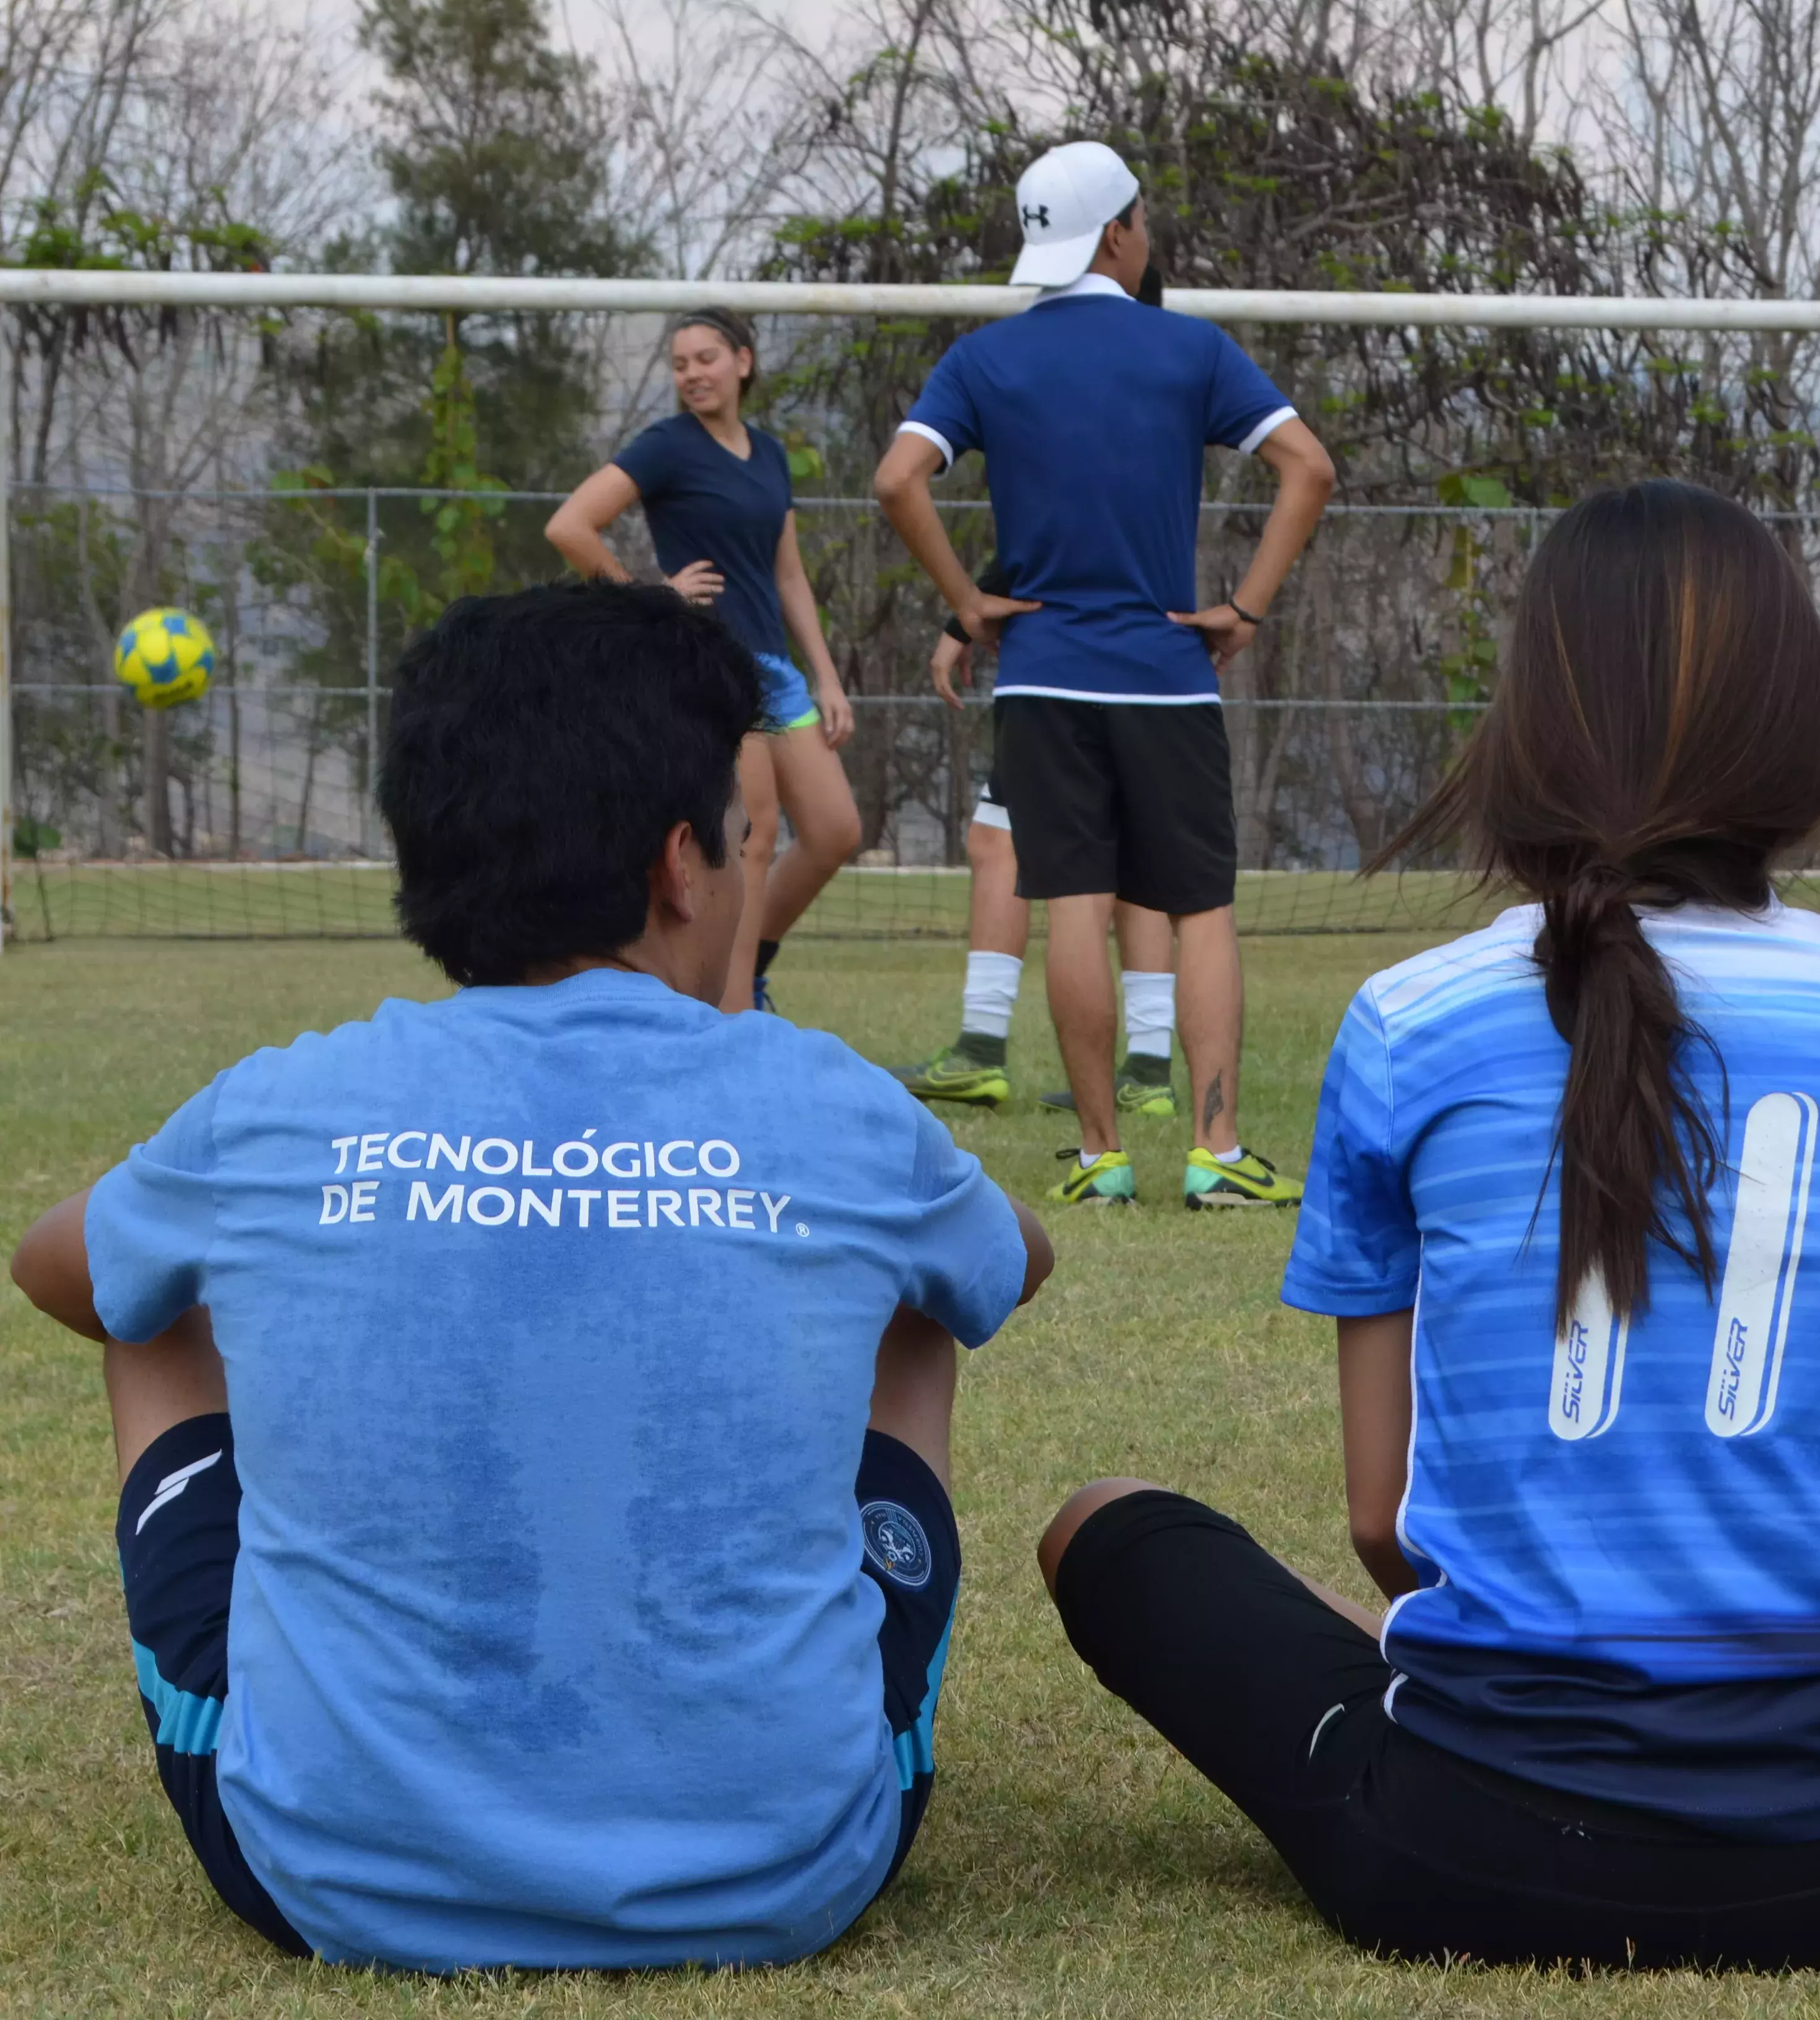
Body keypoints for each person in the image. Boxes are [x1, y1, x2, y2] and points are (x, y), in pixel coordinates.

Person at [1037, 482, 1820, 1969]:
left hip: (1467, 1851)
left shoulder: (1411, 1021)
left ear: (1529, 724)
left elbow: (1382, 1519)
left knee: (1099, 1526)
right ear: (1803, 724)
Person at [7, 582, 1050, 1969]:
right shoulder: (832, 1103)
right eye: (747, 847)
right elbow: (1012, 1263)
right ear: (685, 866)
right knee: (927, 1298)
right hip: (789, 1869)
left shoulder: (284, 1104)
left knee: (148, 1289)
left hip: (328, 1873)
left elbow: (52, 1266)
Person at [872, 139, 1336, 1209]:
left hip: (1040, 680)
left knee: (1071, 900)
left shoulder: (983, 360)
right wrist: (1246, 607)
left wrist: (971, 600)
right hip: (1166, 677)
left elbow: (897, 481)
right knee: (1199, 908)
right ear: (1119, 234)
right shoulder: (1191, 349)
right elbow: (1308, 465)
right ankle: (1217, 1152)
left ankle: (1101, 1155)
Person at [549, 306, 860, 1016]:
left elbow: (787, 574)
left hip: (776, 673)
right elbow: (570, 525)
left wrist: (827, 675)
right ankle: (735, 1021)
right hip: (713, 666)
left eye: (706, 359)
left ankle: (749, 971)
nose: (692, 374)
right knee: (749, 837)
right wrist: (651, 599)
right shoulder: (666, 447)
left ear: (743, 362)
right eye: (680, 363)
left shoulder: (771, 455)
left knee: (836, 830)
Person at [900, 579, 1180, 1117]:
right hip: (1153, 656)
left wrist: (964, 616)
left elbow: (1043, 532)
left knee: (997, 836)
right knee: (1136, 855)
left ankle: (980, 1046)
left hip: (1060, 660)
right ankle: (1148, 1068)